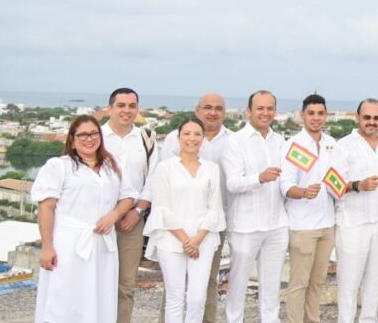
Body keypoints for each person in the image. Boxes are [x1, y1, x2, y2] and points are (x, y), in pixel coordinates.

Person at [32, 115, 136, 322]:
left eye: (94, 133)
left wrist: (113, 215)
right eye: (83, 135)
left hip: (103, 245)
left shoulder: (111, 165)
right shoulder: (59, 166)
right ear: (72, 139)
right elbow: (46, 208)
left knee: (100, 296)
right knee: (65, 299)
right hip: (68, 244)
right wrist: (47, 247)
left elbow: (128, 196)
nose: (89, 139)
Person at [156, 93, 234, 323]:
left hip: (204, 238)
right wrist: (184, 239)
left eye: (197, 134)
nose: (192, 138)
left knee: (198, 298)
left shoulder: (211, 169)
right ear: (178, 138)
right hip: (171, 238)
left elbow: (215, 207)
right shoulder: (166, 168)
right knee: (175, 296)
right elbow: (162, 207)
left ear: (202, 138)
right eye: (187, 134)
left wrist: (197, 238)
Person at [222, 90, 289, 323]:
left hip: (277, 224)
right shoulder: (234, 141)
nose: (265, 113)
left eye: (270, 108)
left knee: (271, 284)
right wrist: (258, 178)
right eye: (260, 108)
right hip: (245, 225)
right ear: (249, 111)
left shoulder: (280, 142)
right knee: (238, 283)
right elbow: (232, 183)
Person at [331, 98, 378, 323]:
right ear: (358, 118)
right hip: (352, 223)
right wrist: (358, 185)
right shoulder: (343, 146)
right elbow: (332, 183)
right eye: (367, 117)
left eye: (376, 118)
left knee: (375, 281)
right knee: (348, 283)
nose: (372, 122)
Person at [102, 87, 158, 323]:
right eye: (121, 105)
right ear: (110, 108)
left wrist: (138, 211)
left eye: (131, 106)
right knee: (96, 282)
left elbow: (153, 179)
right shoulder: (96, 136)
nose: (126, 110)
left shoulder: (146, 139)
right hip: (99, 217)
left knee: (125, 285)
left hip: (131, 220)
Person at [280, 94, 338, 323]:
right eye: (311, 113)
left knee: (317, 283)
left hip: (327, 224)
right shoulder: (293, 145)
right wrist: (303, 192)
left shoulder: (331, 143)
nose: (316, 118)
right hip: (302, 225)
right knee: (299, 284)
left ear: (326, 115)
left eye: (320, 113)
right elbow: (285, 185)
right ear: (302, 115)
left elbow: (338, 178)